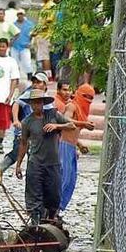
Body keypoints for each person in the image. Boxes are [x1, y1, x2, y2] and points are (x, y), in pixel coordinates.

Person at [14, 87, 74, 224]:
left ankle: (50, 219)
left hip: (53, 163)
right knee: (34, 196)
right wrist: (18, 165)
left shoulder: (53, 115)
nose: (36, 106)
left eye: (39, 102)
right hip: (35, 163)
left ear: (43, 103)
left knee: (53, 196)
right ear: (30, 104)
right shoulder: (27, 122)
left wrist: (57, 126)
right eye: (34, 103)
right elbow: (23, 143)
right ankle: (35, 222)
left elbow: (71, 126)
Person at [59, 83, 95, 209]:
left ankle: (58, 209)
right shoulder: (72, 106)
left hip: (72, 147)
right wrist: (83, 124)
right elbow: (66, 120)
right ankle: (52, 209)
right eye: (86, 97)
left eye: (91, 98)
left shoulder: (81, 110)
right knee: (64, 178)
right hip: (64, 146)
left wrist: (79, 145)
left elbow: (74, 131)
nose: (88, 100)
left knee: (71, 181)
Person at [10, 10, 35, 77]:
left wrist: (31, 43)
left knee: (27, 63)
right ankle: (16, 78)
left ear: (24, 15)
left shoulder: (30, 24)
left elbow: (34, 35)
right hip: (15, 46)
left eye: (21, 14)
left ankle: (30, 78)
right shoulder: (13, 24)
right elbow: (10, 35)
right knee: (14, 64)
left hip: (25, 47)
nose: (20, 15)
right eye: (18, 14)